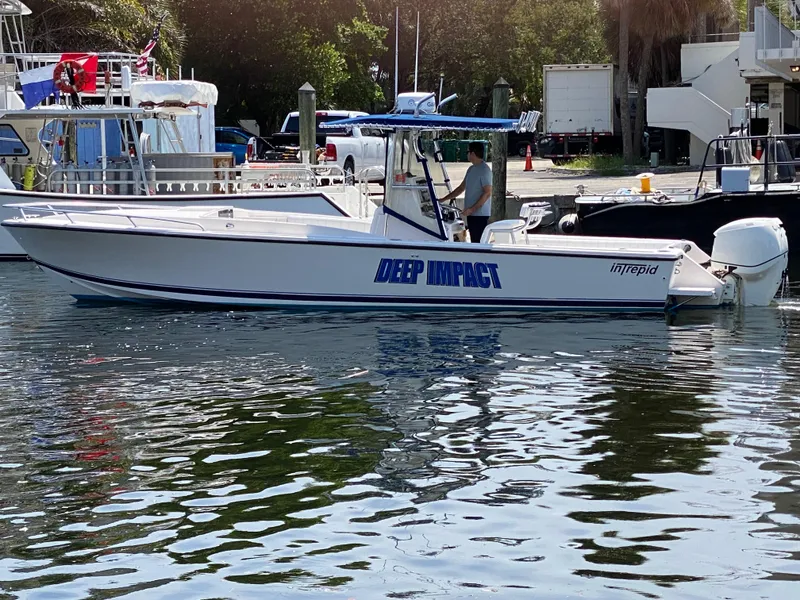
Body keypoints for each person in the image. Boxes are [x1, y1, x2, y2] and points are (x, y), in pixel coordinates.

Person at [438, 141, 492, 243]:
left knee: (479, 242)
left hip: (480, 215)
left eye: (467, 151)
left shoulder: (485, 170)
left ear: (472, 153)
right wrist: (443, 199)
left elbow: (487, 193)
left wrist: (472, 209)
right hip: (471, 214)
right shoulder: (471, 169)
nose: (466, 154)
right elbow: (461, 188)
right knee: (473, 241)